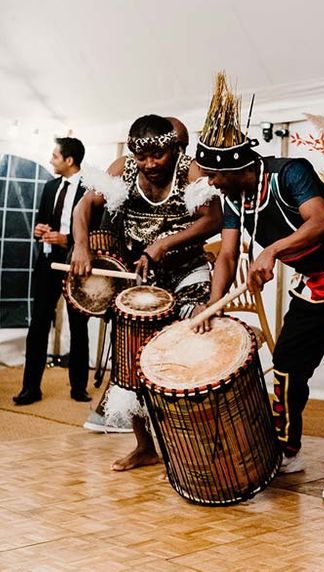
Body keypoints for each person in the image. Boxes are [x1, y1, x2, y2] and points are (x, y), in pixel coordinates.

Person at [192, 73, 324, 501]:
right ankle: (286, 450)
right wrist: (214, 306)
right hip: (313, 287)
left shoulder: (291, 172)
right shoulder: (234, 199)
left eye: (215, 175)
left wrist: (272, 250)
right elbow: (227, 253)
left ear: (235, 166)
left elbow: (321, 222)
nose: (211, 183)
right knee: (290, 367)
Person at [71, 114, 220, 470]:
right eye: (142, 158)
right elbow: (83, 207)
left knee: (194, 335)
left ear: (173, 149)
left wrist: (165, 244)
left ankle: (204, 441)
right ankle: (145, 446)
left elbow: (213, 219)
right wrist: (80, 245)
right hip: (139, 276)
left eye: (158, 156)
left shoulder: (191, 171)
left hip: (186, 270)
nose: (150, 165)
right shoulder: (122, 169)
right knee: (128, 360)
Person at [13, 137, 92, 406]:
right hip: (47, 265)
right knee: (38, 325)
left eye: (55, 156)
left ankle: (78, 388)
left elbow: (97, 231)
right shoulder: (49, 187)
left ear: (69, 160)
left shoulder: (91, 190)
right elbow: (43, 221)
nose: (50, 160)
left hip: (76, 266)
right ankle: (30, 388)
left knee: (78, 325)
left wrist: (67, 239)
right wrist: (40, 231)